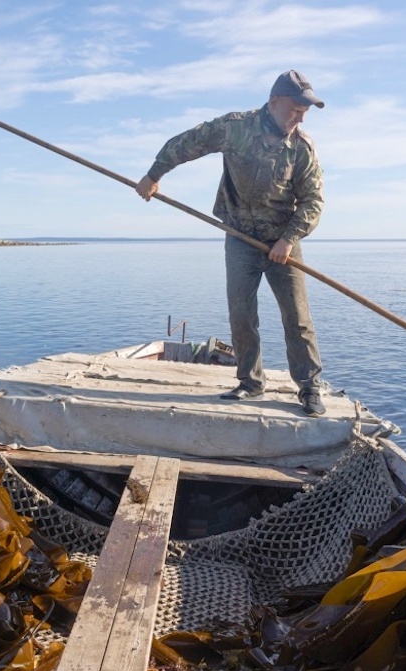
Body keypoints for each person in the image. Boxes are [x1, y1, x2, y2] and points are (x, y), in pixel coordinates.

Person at [135, 70, 326, 417]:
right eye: (296, 109)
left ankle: (310, 388)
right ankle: (250, 383)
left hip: (282, 242)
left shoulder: (301, 148)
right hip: (240, 237)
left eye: (305, 112)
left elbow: (313, 201)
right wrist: (153, 175)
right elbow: (187, 143)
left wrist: (288, 239)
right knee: (241, 313)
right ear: (274, 102)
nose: (300, 116)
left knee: (297, 317)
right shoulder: (235, 127)